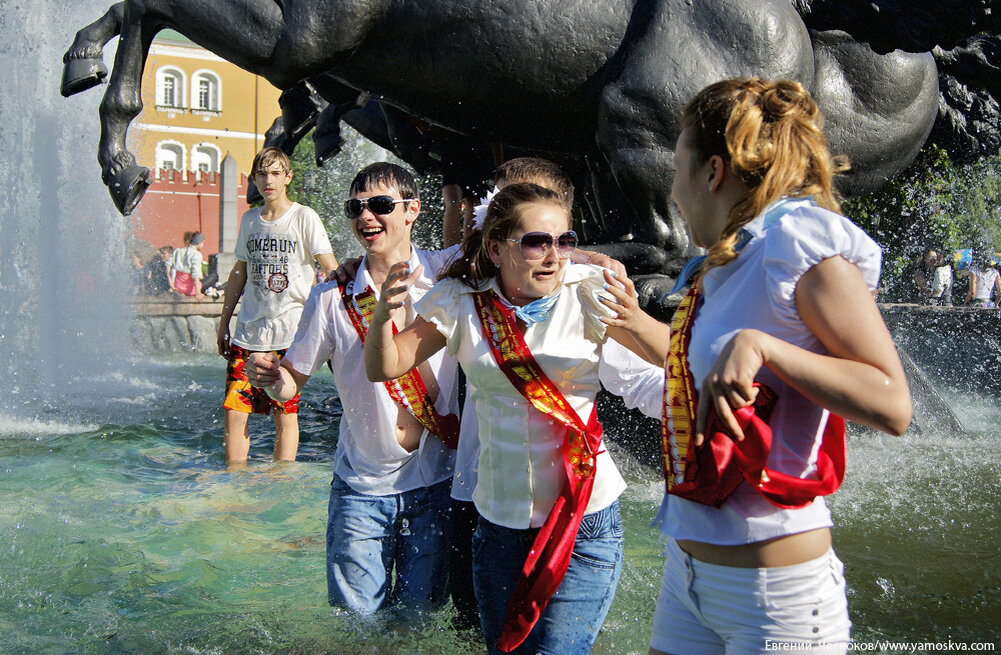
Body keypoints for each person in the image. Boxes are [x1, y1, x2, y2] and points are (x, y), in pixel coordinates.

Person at [597, 77, 912, 654]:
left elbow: (891, 402)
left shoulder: (798, 243)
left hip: (776, 598)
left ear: (712, 172)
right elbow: (704, 374)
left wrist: (764, 347)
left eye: (676, 169)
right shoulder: (726, 260)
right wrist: (624, 323)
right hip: (686, 575)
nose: (673, 189)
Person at [364, 182, 647, 654]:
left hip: (583, 517)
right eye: (538, 242)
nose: (555, 256)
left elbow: (664, 364)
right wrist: (380, 319)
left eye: (565, 242)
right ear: (496, 248)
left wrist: (637, 318)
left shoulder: (590, 294)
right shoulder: (460, 302)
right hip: (498, 526)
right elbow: (384, 366)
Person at [243, 162, 459, 616]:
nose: (366, 217)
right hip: (361, 487)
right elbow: (291, 383)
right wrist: (270, 378)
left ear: (412, 210)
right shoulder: (330, 297)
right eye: (355, 208)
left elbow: (521, 243)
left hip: (436, 479)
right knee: (356, 625)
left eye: (380, 205)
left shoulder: (446, 276)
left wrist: (594, 257)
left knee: (418, 622)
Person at [217, 146, 338, 466]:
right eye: (262, 174)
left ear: (288, 177)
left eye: (275, 173)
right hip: (248, 334)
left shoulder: (304, 217)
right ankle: (235, 479)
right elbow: (238, 272)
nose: (268, 180)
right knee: (234, 412)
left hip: (289, 334)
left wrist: (338, 319)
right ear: (254, 179)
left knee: (285, 415)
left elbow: (330, 266)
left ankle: (280, 480)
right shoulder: (250, 220)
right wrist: (223, 321)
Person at [169, 231, 206, 299]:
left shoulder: (178, 251)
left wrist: (171, 285)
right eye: (203, 242)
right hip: (189, 289)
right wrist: (198, 293)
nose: (203, 245)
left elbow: (168, 265)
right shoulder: (196, 254)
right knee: (214, 277)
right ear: (199, 242)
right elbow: (195, 274)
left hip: (178, 287)